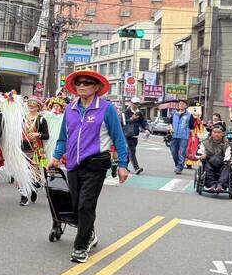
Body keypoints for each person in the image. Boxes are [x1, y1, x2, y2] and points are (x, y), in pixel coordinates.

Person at [49, 70, 129, 264]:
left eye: (86, 83)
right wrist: (56, 157)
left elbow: (119, 138)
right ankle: (90, 234)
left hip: (96, 164)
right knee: (76, 206)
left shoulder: (107, 109)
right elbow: (63, 137)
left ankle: (80, 246)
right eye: (78, 83)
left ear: (96, 87)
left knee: (86, 205)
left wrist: (123, 164)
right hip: (74, 164)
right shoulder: (70, 109)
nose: (81, 86)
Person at [20, 96, 48, 206]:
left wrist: (38, 134)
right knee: (22, 173)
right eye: (29, 104)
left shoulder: (41, 119)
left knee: (33, 174)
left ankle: (34, 189)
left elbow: (46, 135)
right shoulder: (22, 118)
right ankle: (23, 196)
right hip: (22, 148)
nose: (31, 106)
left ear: (38, 107)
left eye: (34, 105)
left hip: (36, 150)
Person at [198, 124, 232, 192]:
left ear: (223, 134)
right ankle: (212, 184)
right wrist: (202, 155)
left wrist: (227, 161)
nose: (216, 134)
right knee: (206, 163)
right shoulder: (205, 142)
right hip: (209, 163)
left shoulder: (227, 144)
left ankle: (220, 184)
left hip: (222, 164)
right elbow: (199, 153)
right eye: (214, 132)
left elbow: (228, 155)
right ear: (211, 133)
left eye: (219, 132)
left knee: (228, 165)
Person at [123, 97, 149, 175]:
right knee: (132, 151)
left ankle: (123, 167)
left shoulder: (139, 113)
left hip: (135, 135)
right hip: (127, 135)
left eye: (137, 103)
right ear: (131, 103)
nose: (136, 105)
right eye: (134, 103)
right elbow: (123, 123)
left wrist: (146, 129)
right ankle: (136, 168)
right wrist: (131, 119)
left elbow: (144, 122)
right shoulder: (125, 112)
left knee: (129, 153)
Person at [168, 99, 194, 175]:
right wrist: (171, 128)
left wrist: (192, 137)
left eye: (183, 104)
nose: (181, 105)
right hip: (174, 135)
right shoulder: (174, 113)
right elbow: (169, 122)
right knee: (173, 151)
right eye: (180, 104)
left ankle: (179, 167)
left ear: (186, 106)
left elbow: (191, 127)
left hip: (184, 136)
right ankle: (178, 165)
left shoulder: (189, 115)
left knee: (182, 152)